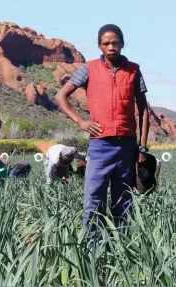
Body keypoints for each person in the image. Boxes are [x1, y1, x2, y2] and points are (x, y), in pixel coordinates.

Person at [55, 24, 150, 231]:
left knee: (124, 204)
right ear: (99, 46)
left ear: (122, 44)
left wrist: (142, 146)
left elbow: (143, 110)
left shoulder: (134, 70)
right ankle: (93, 253)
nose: (111, 47)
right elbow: (60, 96)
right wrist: (81, 122)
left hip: (127, 147)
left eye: (115, 42)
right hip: (100, 146)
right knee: (94, 201)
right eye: (106, 43)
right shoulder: (89, 68)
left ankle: (121, 250)